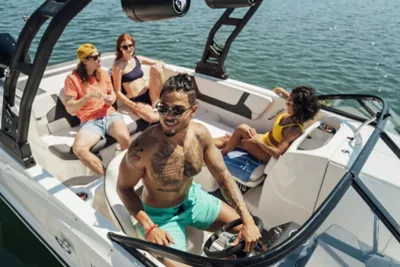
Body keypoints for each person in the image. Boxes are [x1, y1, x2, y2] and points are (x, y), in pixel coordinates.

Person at [117, 73, 261, 263]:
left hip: (193, 200)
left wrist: (248, 220)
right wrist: (150, 226)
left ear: (193, 110)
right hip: (160, 217)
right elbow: (124, 188)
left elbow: (223, 177)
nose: (168, 116)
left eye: (177, 110)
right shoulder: (143, 147)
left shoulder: (201, 135)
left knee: (251, 235)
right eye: (163, 108)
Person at [64, 43, 131, 175]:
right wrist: (86, 97)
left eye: (99, 55)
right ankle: (109, 178)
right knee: (79, 149)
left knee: (125, 138)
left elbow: (112, 94)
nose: (99, 59)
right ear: (84, 61)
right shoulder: (72, 79)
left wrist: (111, 99)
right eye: (95, 58)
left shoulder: (103, 73)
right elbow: (69, 108)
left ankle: (127, 174)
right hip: (90, 121)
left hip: (109, 115)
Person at [214, 86, 320, 163]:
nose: (286, 103)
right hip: (265, 140)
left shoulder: (293, 129)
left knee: (242, 129)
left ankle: (221, 154)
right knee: (228, 138)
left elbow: (277, 153)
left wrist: (258, 141)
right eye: (287, 100)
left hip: (267, 153)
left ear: (298, 107)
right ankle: (204, 144)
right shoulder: (294, 113)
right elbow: (291, 98)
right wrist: (280, 90)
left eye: (289, 102)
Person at [112, 33, 165, 123]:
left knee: (156, 67)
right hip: (136, 100)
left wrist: (159, 67)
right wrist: (132, 105)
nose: (128, 49)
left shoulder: (138, 59)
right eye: (125, 47)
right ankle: (163, 107)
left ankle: (164, 94)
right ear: (120, 49)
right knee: (153, 118)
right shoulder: (118, 66)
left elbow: (159, 62)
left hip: (150, 93)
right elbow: (118, 92)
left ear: (133, 45)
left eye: (130, 45)